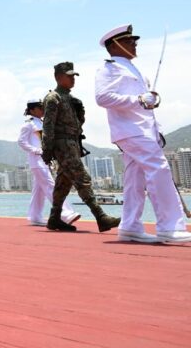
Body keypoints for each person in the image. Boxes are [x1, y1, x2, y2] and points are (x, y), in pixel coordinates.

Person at [95, 25, 191, 243]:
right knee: (159, 169)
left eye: (134, 40)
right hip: (130, 130)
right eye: (129, 41)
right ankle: (170, 226)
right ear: (115, 45)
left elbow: (143, 107)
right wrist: (137, 100)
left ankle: (130, 226)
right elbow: (102, 97)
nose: (134, 44)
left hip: (143, 130)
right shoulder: (108, 68)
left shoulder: (133, 69)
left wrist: (156, 128)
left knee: (134, 179)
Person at [42, 62, 120, 233]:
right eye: (69, 76)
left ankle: (54, 218)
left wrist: (80, 113)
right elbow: (48, 126)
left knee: (64, 182)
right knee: (82, 178)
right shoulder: (53, 98)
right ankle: (101, 217)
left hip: (73, 143)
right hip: (62, 145)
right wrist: (47, 150)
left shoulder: (71, 99)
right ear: (58, 77)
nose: (72, 79)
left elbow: (77, 124)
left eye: (73, 76)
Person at [17, 99, 80, 227]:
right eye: (40, 108)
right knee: (51, 185)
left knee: (39, 190)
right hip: (37, 161)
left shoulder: (42, 123)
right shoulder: (28, 125)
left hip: (45, 160)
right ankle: (66, 214)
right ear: (33, 110)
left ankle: (35, 216)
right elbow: (21, 142)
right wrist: (36, 150)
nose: (43, 110)